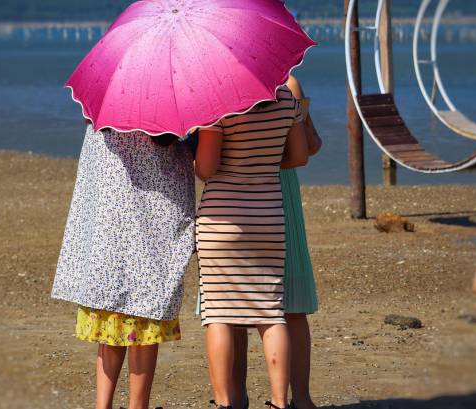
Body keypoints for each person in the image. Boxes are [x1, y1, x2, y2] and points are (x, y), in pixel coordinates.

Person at [51, 124, 196, 409]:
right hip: (154, 223)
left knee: (111, 314)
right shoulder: (167, 113)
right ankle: (137, 405)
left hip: (110, 226)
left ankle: (102, 405)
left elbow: (93, 170)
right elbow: (186, 155)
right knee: (146, 316)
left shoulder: (105, 115)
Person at [195, 84, 309, 409]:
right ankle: (278, 402)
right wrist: (263, 165)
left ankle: (224, 402)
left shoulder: (217, 101)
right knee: (271, 313)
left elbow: (207, 168)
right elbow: (299, 156)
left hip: (222, 219)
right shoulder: (287, 99)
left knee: (218, 313)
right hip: (268, 215)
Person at [231, 76, 322, 409]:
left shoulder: (219, 83)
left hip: (234, 192)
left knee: (231, 306)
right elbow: (311, 146)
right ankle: (301, 398)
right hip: (279, 192)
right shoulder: (289, 84)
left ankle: (235, 397)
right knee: (290, 304)